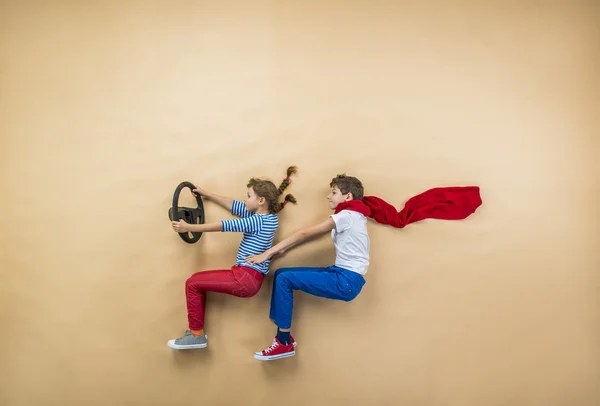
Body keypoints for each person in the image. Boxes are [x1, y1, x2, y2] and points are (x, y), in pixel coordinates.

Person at [246, 174, 483, 360]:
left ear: (348, 197)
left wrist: (267, 253)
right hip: (343, 276)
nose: (329, 197)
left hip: (345, 280)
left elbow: (306, 232)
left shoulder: (348, 215)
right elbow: (308, 237)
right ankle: (285, 340)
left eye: (334, 192)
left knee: (284, 279)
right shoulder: (354, 214)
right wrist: (283, 251)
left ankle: (284, 342)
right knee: (284, 275)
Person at [167, 166, 298, 350]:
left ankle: (196, 335)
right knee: (196, 282)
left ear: (261, 200)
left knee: (192, 283)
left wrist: (190, 228)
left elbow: (224, 226)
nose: (245, 200)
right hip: (248, 277)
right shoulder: (269, 218)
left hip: (244, 277)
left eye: (248, 196)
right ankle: (196, 335)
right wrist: (206, 193)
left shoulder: (256, 221)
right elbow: (233, 205)